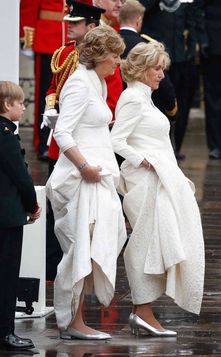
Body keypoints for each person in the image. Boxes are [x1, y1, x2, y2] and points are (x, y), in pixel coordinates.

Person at [111, 42, 205, 337]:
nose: (161, 74)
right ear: (141, 68)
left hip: (158, 181)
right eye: (157, 68)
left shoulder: (145, 98)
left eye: (162, 68)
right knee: (145, 244)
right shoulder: (132, 98)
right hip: (144, 182)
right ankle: (143, 311)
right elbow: (116, 140)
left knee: (157, 245)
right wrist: (146, 162)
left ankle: (144, 310)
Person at [46, 25, 127, 340]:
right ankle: (72, 322)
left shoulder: (97, 82)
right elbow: (63, 132)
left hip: (98, 175)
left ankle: (76, 320)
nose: (117, 63)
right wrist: (84, 167)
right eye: (114, 56)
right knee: (79, 248)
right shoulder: (79, 83)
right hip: (82, 177)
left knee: (97, 243)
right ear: (98, 55)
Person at [41, 0, 105, 281]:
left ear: (91, 26)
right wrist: (51, 108)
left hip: (88, 143)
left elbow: (108, 102)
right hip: (62, 138)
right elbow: (53, 86)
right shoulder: (64, 53)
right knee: (57, 205)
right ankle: (52, 265)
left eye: (75, 23)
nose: (69, 27)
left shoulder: (100, 60)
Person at [0, 81, 41, 350]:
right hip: (8, 217)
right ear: (6, 105)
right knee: (6, 277)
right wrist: (33, 205)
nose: (23, 107)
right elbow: (22, 178)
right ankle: (6, 333)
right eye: (20, 103)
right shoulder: (5, 135)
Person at [139, 0, 198, 160]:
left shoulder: (184, 3)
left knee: (179, 104)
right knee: (158, 104)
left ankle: (175, 146)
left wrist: (191, 50)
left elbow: (191, 23)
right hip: (156, 60)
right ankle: (159, 144)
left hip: (179, 59)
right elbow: (141, 9)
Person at [20, 0, 68, 160]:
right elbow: (29, 7)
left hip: (70, 38)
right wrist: (28, 40)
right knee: (46, 95)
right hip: (47, 39)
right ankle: (43, 143)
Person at [194, 0, 221, 160]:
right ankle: (215, 144)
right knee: (213, 98)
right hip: (213, 45)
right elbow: (197, 10)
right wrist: (203, 39)